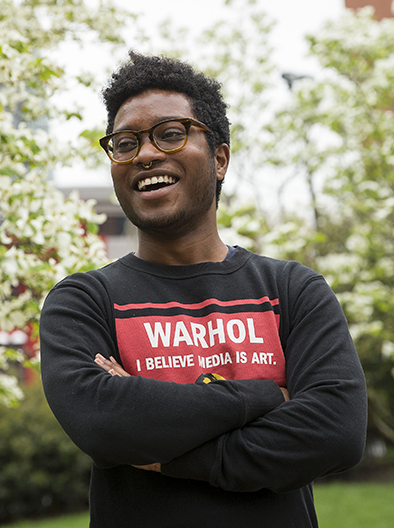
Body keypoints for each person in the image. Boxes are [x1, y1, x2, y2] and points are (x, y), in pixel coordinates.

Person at [39, 52, 367, 527]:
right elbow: (105, 425)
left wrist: (172, 451)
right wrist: (265, 397)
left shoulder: (292, 289)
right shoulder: (85, 302)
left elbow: (335, 431)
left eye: (170, 134)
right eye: (125, 142)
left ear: (219, 159)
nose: (146, 154)